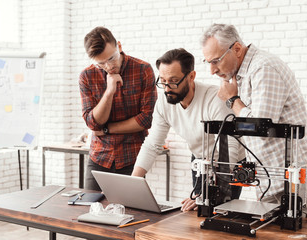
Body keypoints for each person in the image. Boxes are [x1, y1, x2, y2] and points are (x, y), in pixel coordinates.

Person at [201, 23, 307, 219]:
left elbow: (260, 127)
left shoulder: (264, 68)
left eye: (216, 61)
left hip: (294, 183)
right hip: (272, 180)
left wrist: (232, 100)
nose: (212, 70)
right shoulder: (241, 75)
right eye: (208, 62)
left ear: (237, 49)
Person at [131, 48, 245, 212]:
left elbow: (229, 152)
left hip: (227, 163)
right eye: (163, 81)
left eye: (173, 81)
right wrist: (133, 182)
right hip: (200, 159)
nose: (167, 88)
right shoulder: (164, 102)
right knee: (196, 211)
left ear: (191, 76)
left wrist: (201, 195)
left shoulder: (214, 99)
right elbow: (152, 145)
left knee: (220, 213)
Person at [79, 26, 157, 191]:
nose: (109, 67)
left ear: (119, 47)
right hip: (99, 157)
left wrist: (106, 129)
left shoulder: (143, 70)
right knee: (90, 209)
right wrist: (109, 92)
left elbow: (146, 119)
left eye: (111, 58)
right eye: (101, 63)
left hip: (133, 157)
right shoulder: (87, 76)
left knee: (131, 212)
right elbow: (93, 124)